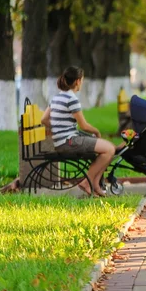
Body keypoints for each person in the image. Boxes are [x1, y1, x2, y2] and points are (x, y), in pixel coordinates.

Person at [41, 66, 116, 197]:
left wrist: (58, 128)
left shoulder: (56, 97)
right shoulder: (72, 99)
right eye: (82, 80)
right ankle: (86, 182)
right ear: (77, 81)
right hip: (70, 142)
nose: (81, 82)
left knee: (106, 150)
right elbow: (84, 126)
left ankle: (96, 185)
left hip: (62, 142)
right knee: (109, 149)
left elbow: (44, 119)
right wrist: (97, 132)